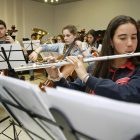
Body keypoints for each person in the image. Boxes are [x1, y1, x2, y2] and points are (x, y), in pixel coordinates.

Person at [45, 15, 140, 103]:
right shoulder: (94, 67)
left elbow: (128, 94)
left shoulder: (137, 69)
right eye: (123, 38)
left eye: (134, 37)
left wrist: (87, 78)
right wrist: (56, 78)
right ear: (111, 41)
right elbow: (72, 94)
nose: (130, 43)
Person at [29, 24, 93, 62]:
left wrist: (82, 49)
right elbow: (45, 46)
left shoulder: (81, 46)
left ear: (75, 35)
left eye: (68, 36)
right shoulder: (61, 46)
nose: (65, 38)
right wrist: (36, 52)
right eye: (64, 36)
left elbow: (92, 62)